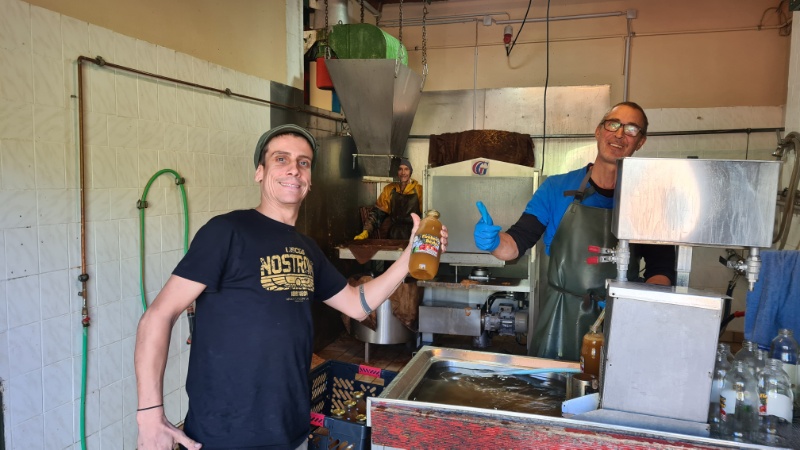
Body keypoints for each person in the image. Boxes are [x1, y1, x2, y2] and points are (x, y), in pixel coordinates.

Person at [134, 124, 447, 450]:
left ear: (310, 180)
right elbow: (158, 316)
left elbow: (357, 304)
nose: (294, 169)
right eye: (281, 159)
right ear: (259, 172)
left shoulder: (307, 249)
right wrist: (150, 415)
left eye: (303, 162)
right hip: (224, 435)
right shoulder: (226, 231)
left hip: (291, 431)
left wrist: (409, 256)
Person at [473, 102, 675, 361]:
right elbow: (516, 243)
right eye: (613, 124)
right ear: (598, 131)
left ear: (641, 141)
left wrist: (637, 308)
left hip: (619, 324)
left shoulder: (647, 201)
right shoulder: (556, 188)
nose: (619, 134)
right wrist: (493, 242)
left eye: (631, 129)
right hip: (559, 322)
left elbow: (662, 271)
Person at [354, 158, 422, 240]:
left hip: (414, 234)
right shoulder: (389, 189)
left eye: (406, 169)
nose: (403, 173)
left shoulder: (419, 190)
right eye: (400, 169)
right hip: (394, 235)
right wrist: (366, 231)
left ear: (410, 171)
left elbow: (426, 215)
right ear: (397, 172)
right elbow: (377, 214)